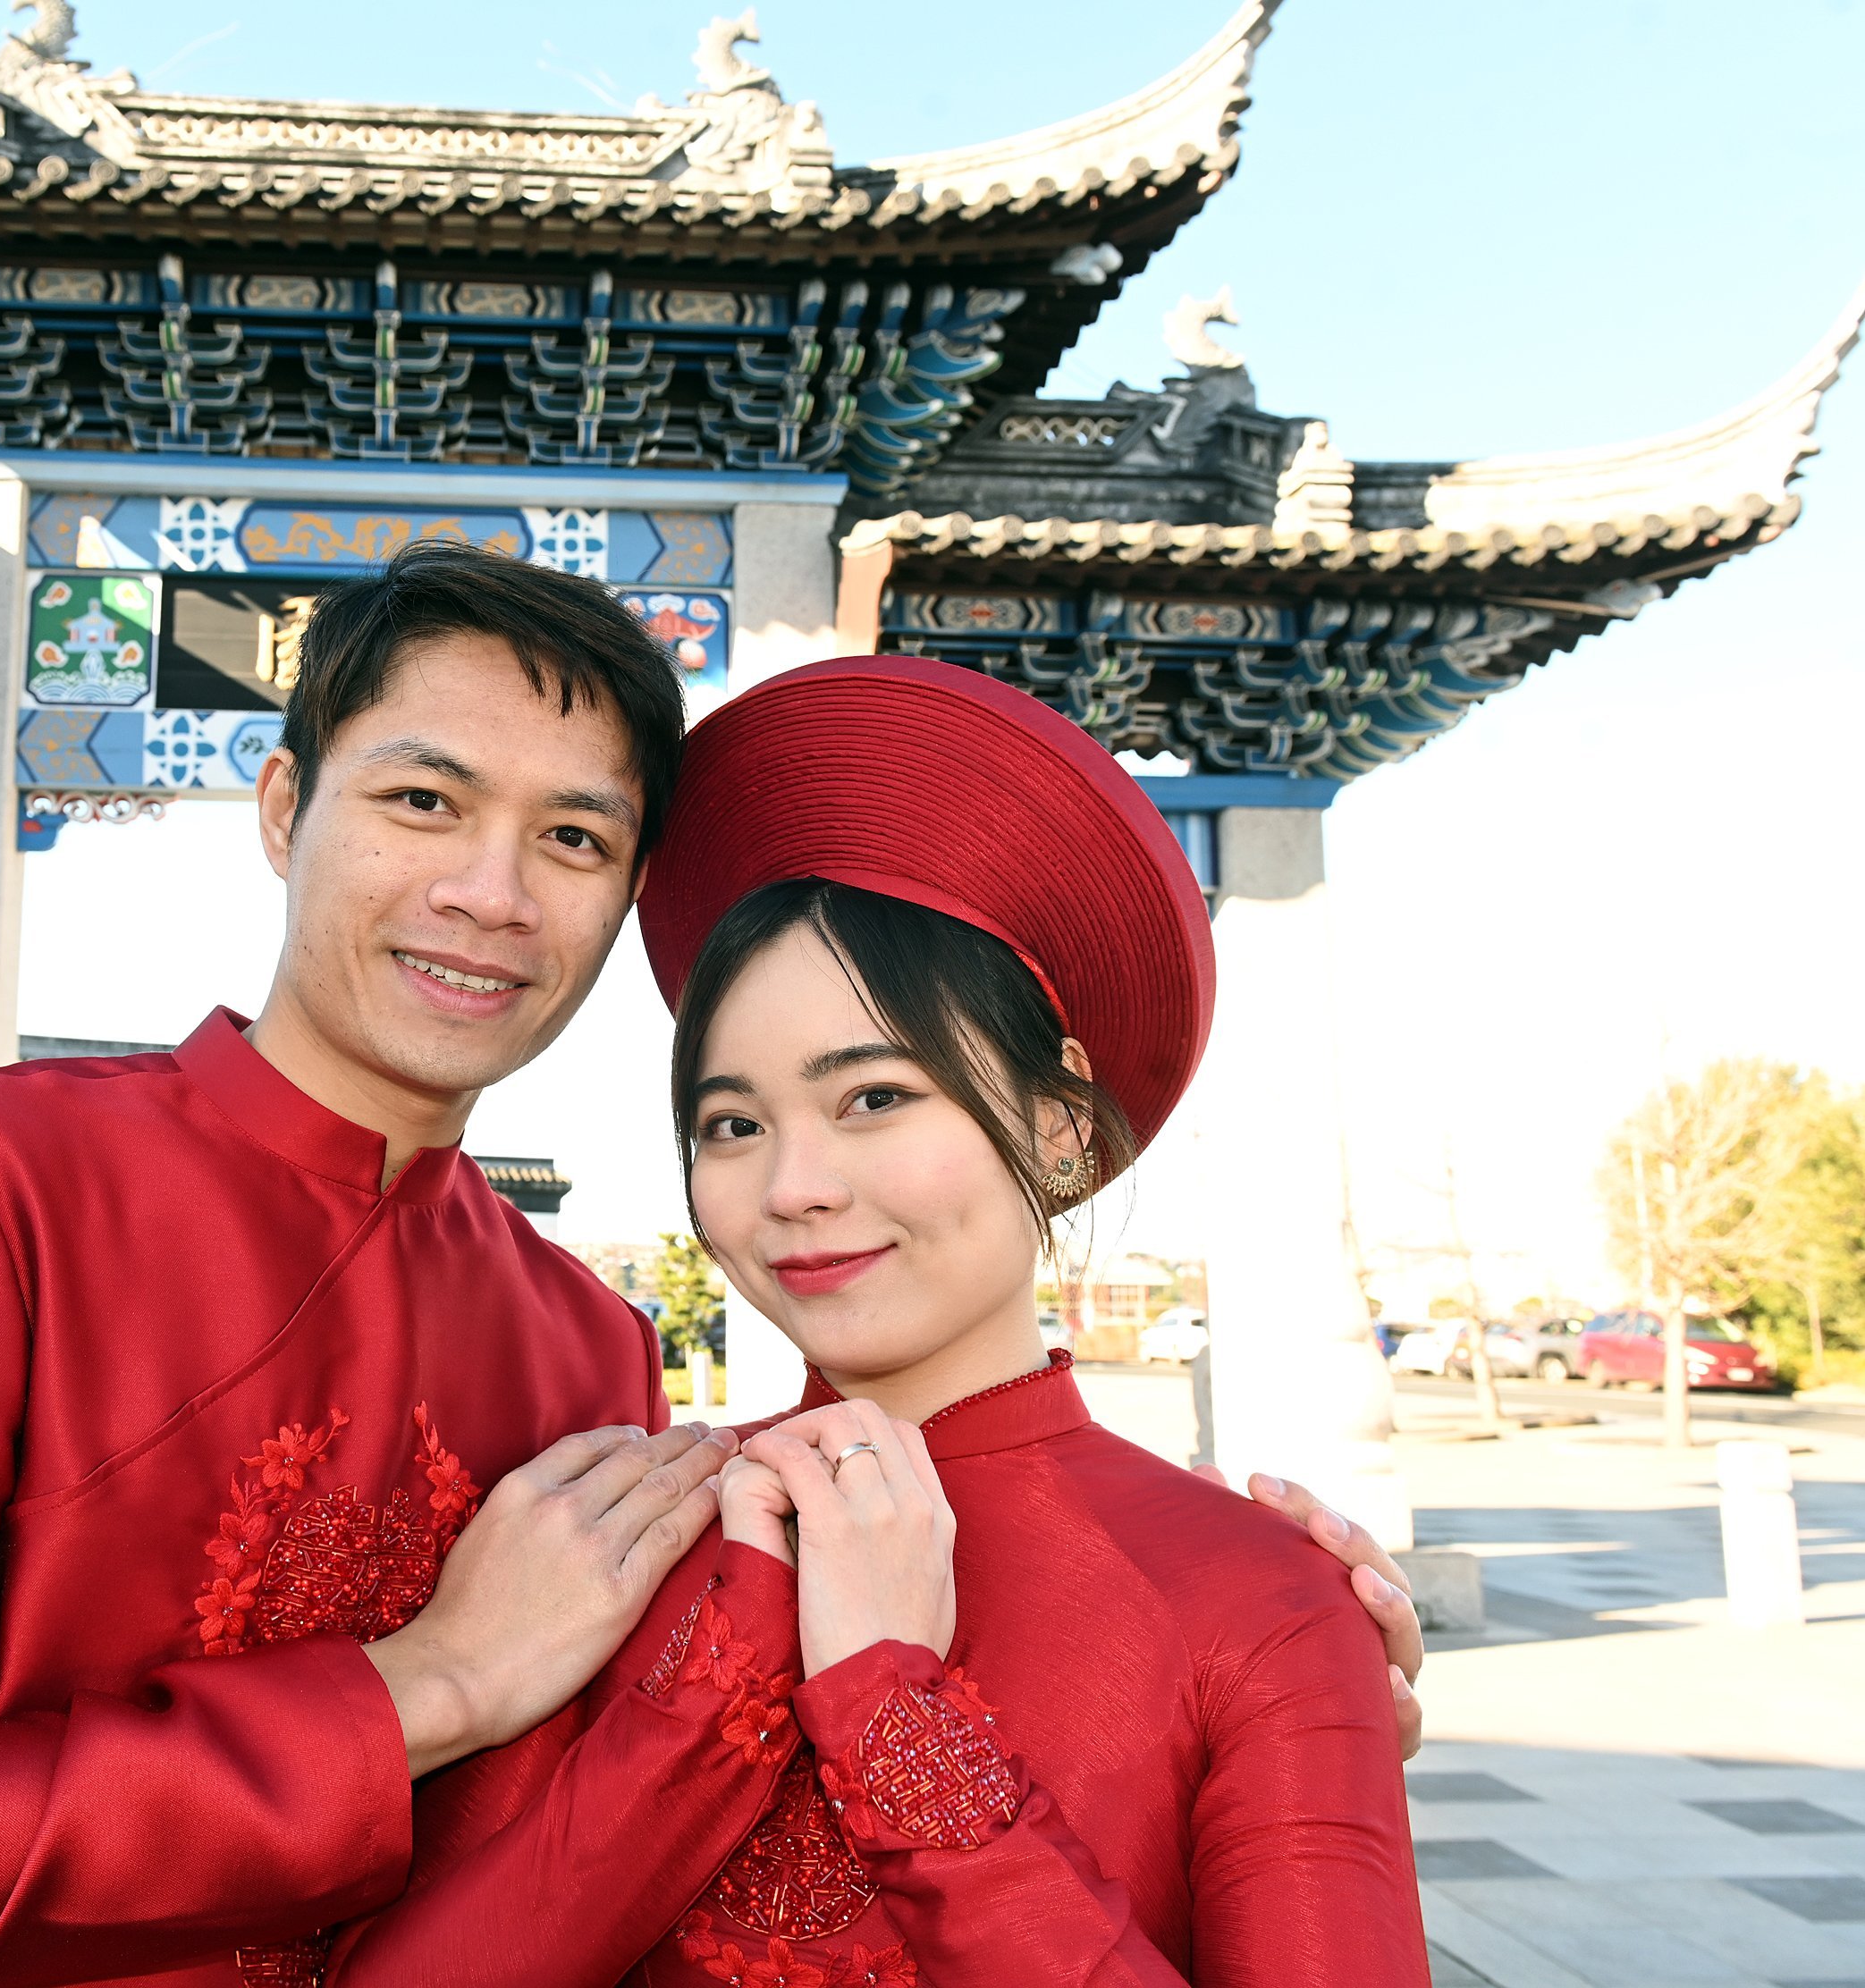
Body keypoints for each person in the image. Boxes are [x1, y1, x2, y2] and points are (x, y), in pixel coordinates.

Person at [0, 547, 1425, 1988]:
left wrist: (1248, 1678)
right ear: (283, 805)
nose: (491, 892)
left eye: (577, 840)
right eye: (424, 799)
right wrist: (427, 1682)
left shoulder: (593, 1365)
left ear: (1063, 1133)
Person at [353, 654, 1426, 1986]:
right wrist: (710, 1699)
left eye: (872, 1098)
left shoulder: (1258, 1601)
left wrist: (887, 1708)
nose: (794, 1189)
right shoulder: (612, 1537)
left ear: (1052, 1119)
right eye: (732, 1124)